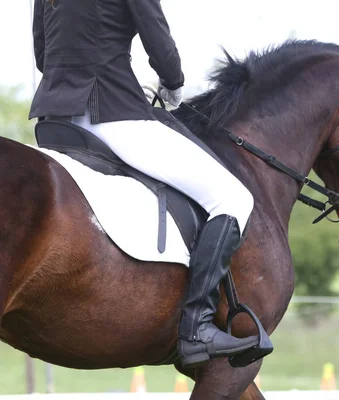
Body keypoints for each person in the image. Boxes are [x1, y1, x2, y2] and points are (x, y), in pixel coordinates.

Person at [29, 0, 259, 368]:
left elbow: (43, 54)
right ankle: (197, 327)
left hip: (56, 119)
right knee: (232, 198)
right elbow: (160, 44)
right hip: (114, 114)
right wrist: (172, 85)